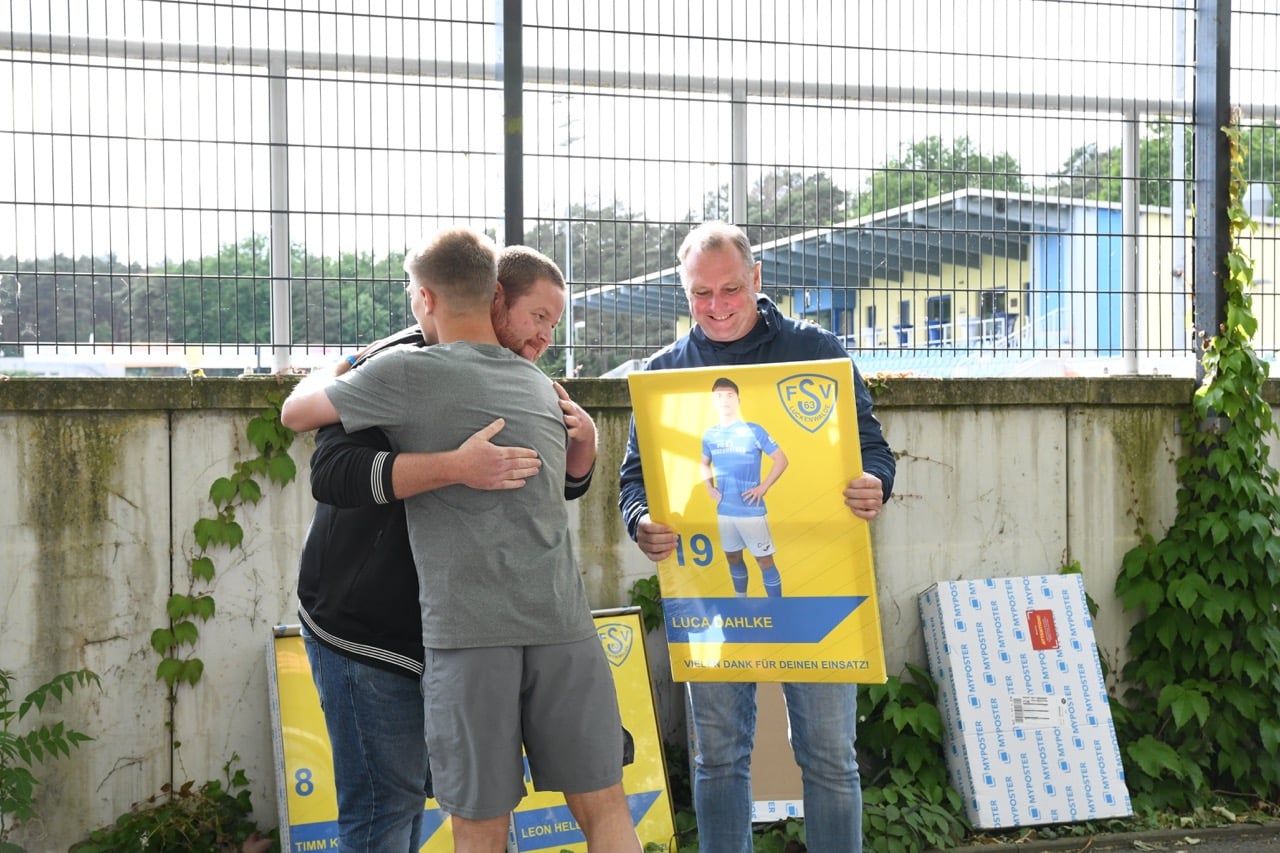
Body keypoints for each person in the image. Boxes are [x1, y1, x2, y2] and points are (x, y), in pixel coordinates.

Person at [281, 227, 641, 853]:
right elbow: (331, 472)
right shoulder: (401, 365)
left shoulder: (531, 379)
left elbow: (541, 489)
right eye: (536, 317)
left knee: (482, 822)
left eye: (553, 325)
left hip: (482, 633)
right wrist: (454, 465)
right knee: (391, 811)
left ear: (426, 296)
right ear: (494, 297)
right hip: (375, 631)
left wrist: (584, 449)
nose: (544, 338)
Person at [618, 220, 896, 853]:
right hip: (711, 596)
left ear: (757, 280)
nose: (716, 307)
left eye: (730, 290)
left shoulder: (816, 349)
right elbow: (635, 481)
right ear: (682, 292)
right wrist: (641, 522)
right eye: (700, 294)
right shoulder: (665, 376)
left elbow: (874, 452)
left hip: (820, 588)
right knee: (717, 760)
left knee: (829, 758)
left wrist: (874, 483)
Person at [700, 375, 789, 597]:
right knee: (732, 557)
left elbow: (781, 459)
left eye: (729, 395)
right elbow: (703, 463)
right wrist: (709, 488)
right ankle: (742, 603)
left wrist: (764, 487)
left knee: (763, 559)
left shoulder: (754, 430)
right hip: (725, 509)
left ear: (738, 400)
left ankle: (778, 609)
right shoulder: (710, 434)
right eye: (719, 396)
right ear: (713, 401)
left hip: (751, 509)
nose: (724, 400)